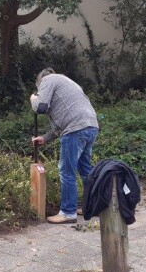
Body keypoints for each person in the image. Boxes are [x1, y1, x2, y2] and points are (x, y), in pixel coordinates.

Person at [30, 68, 99, 224]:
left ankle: (68, 212)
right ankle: (92, 206)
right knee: (85, 169)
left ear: (40, 82)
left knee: (66, 170)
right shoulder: (67, 82)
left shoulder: (48, 80)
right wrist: (45, 138)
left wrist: (33, 98)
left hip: (75, 129)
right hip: (90, 126)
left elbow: (40, 107)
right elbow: (60, 120)